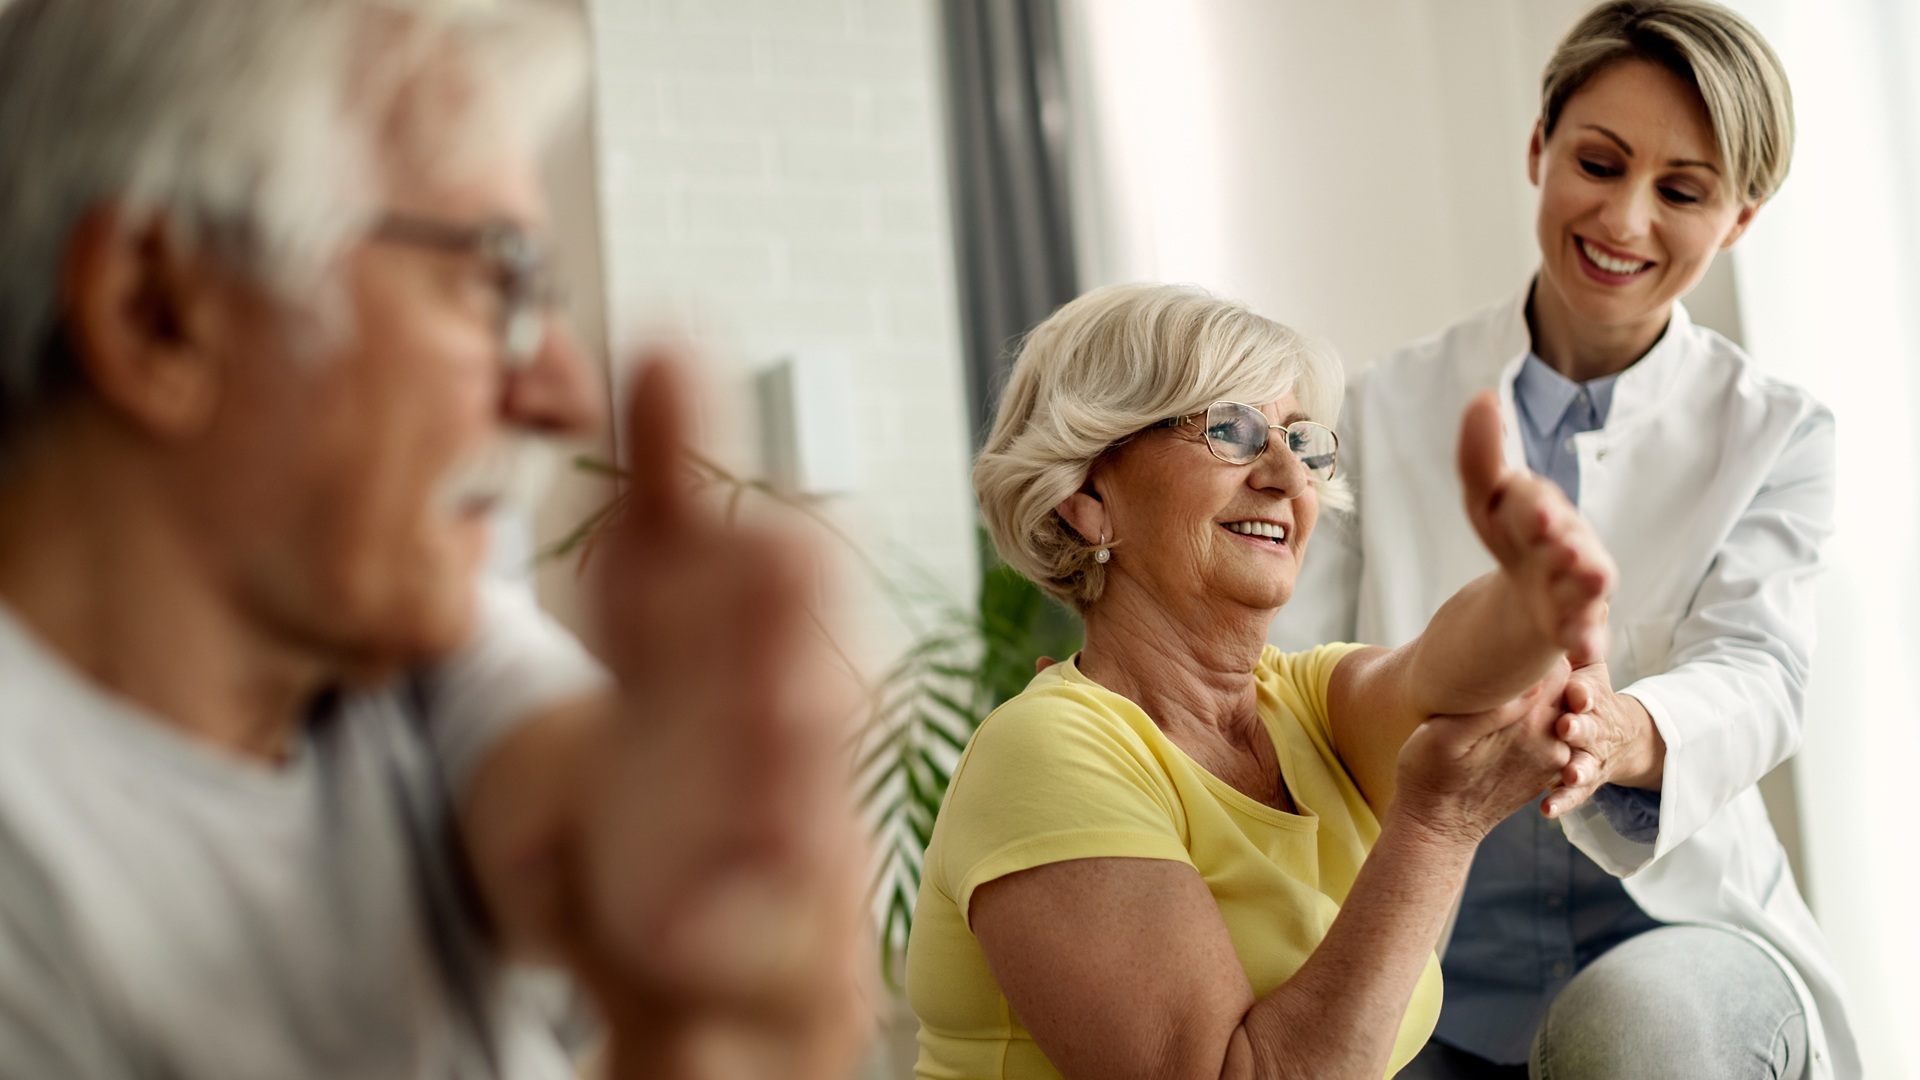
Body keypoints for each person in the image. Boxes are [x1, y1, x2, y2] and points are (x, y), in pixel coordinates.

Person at [0, 1, 867, 1078]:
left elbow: (585, 817)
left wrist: (715, 901)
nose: (561, 393)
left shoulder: (385, 651)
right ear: (156, 311)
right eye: (493, 277)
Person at [1273, 2, 1856, 1077]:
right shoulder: (1384, 406)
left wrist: (1625, 728)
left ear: (1738, 220)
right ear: (1539, 147)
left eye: (1682, 191)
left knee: (1634, 1040)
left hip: (1680, 931)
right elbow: (1288, 675)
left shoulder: (1776, 431)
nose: (1626, 220)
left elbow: (1760, 670)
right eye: (1599, 161)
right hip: (1426, 953)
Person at [906, 282, 1625, 1080]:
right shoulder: (1047, 752)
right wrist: (1437, 828)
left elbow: (1442, 676)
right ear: (1086, 496)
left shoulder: (1305, 702)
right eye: (1234, 430)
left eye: (1302, 440)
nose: (1287, 473)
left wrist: (1536, 595)